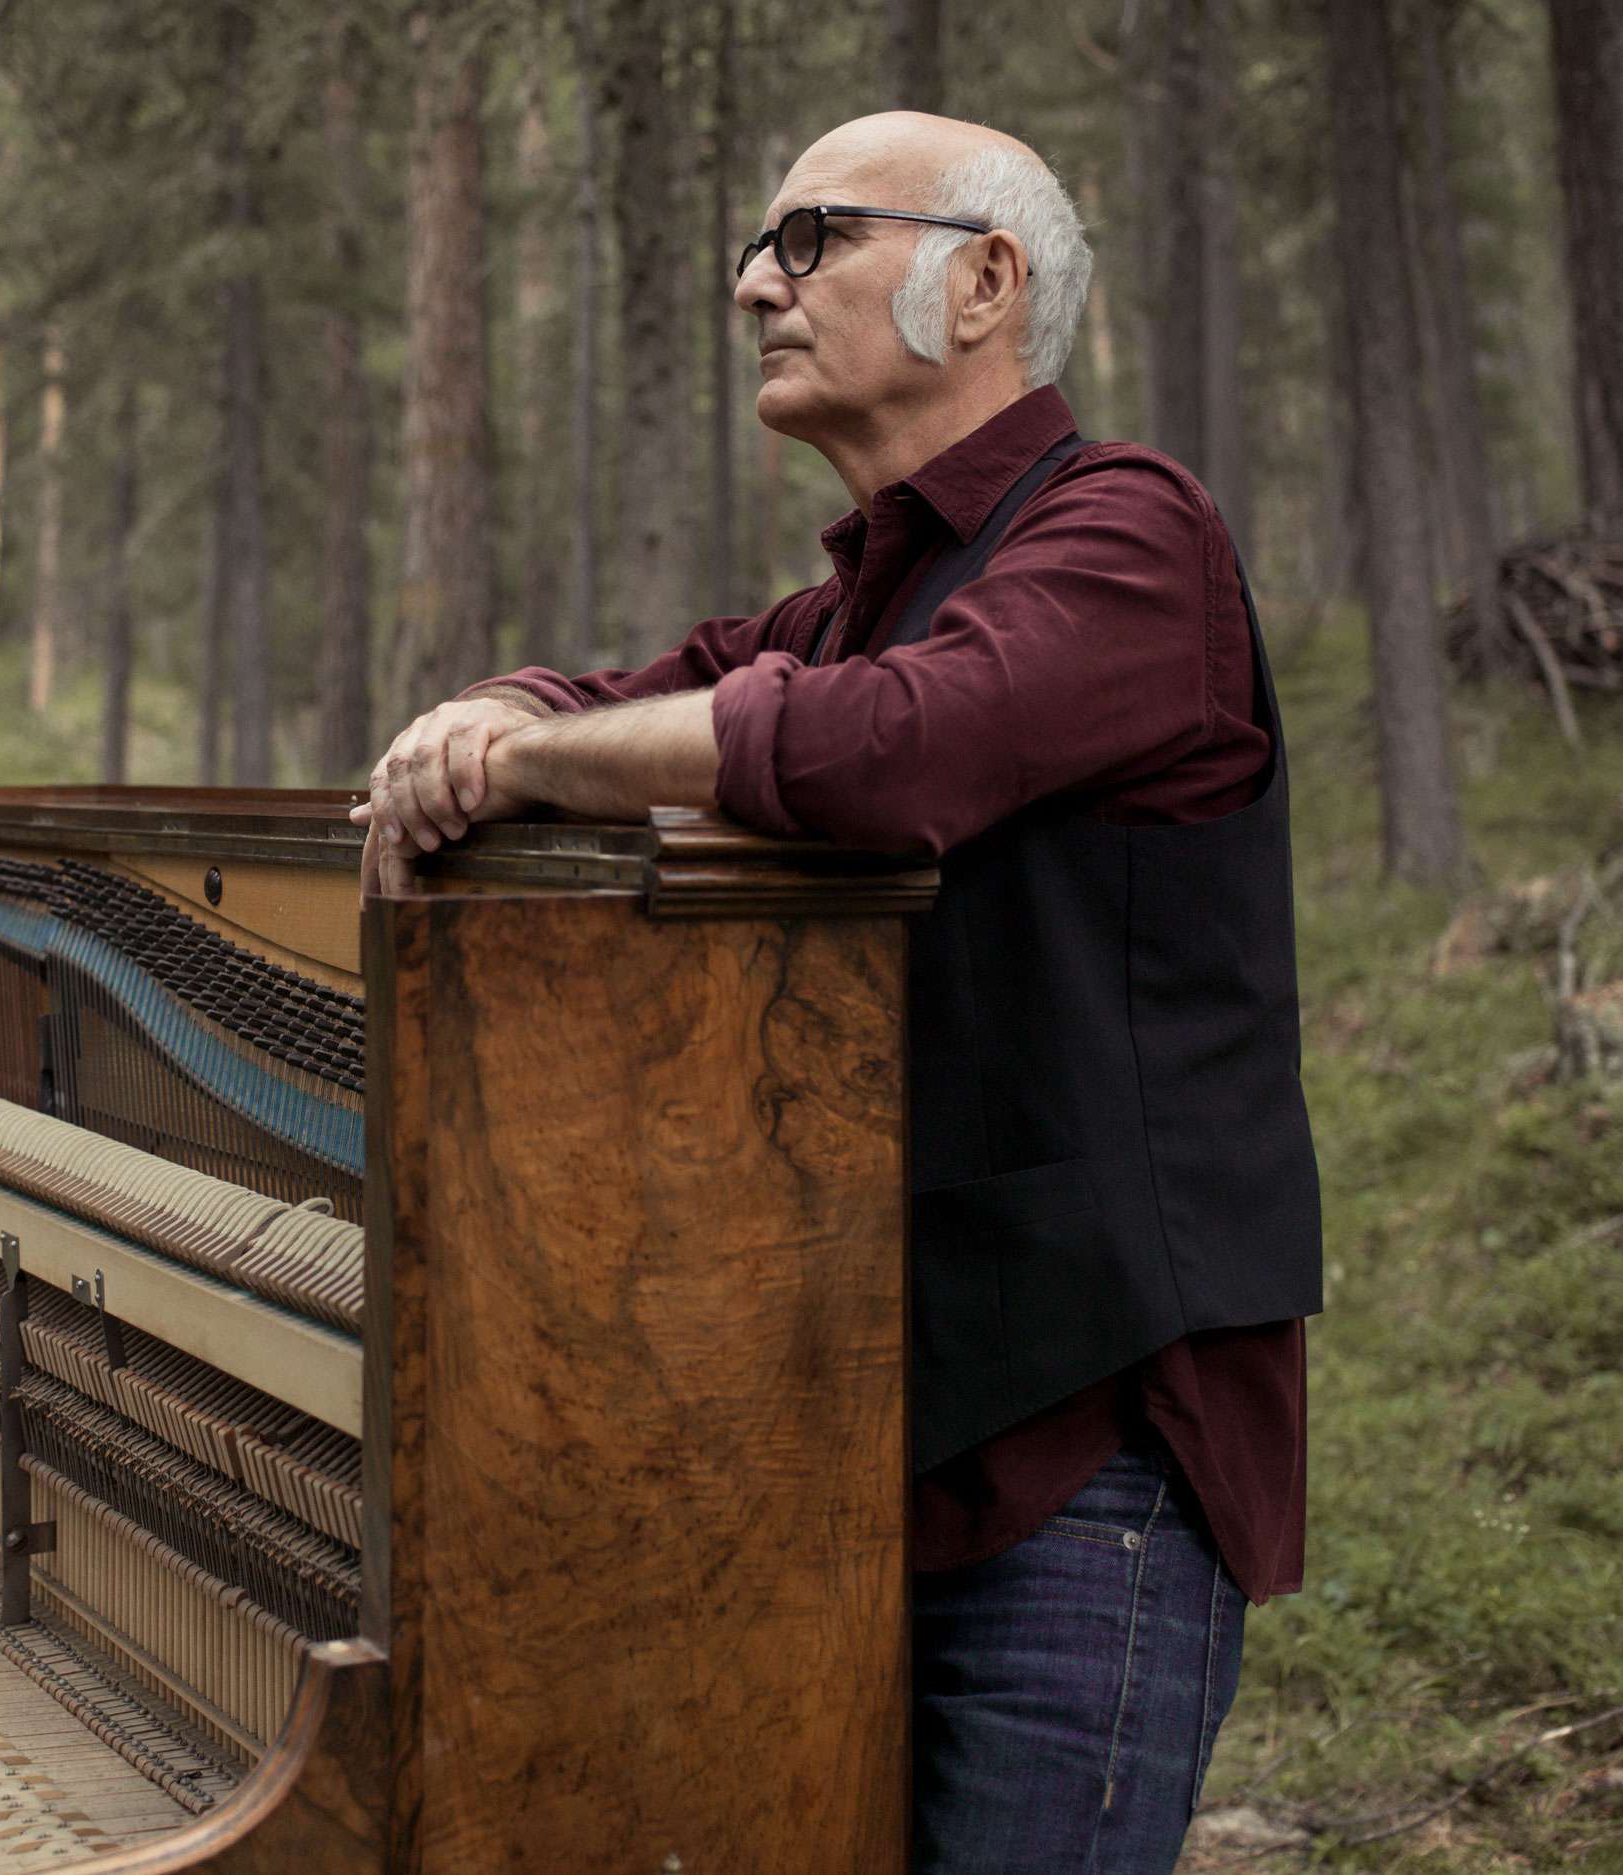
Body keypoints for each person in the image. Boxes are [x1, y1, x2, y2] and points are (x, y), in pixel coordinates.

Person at [353, 111, 1322, 1874]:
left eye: (810, 241)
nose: (753, 285)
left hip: (1089, 1461)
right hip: (844, 1434)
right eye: (755, 246)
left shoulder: (1130, 530)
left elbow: (884, 753)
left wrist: (520, 765)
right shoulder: (853, 595)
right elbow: (643, 690)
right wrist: (488, 714)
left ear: (985, 280)